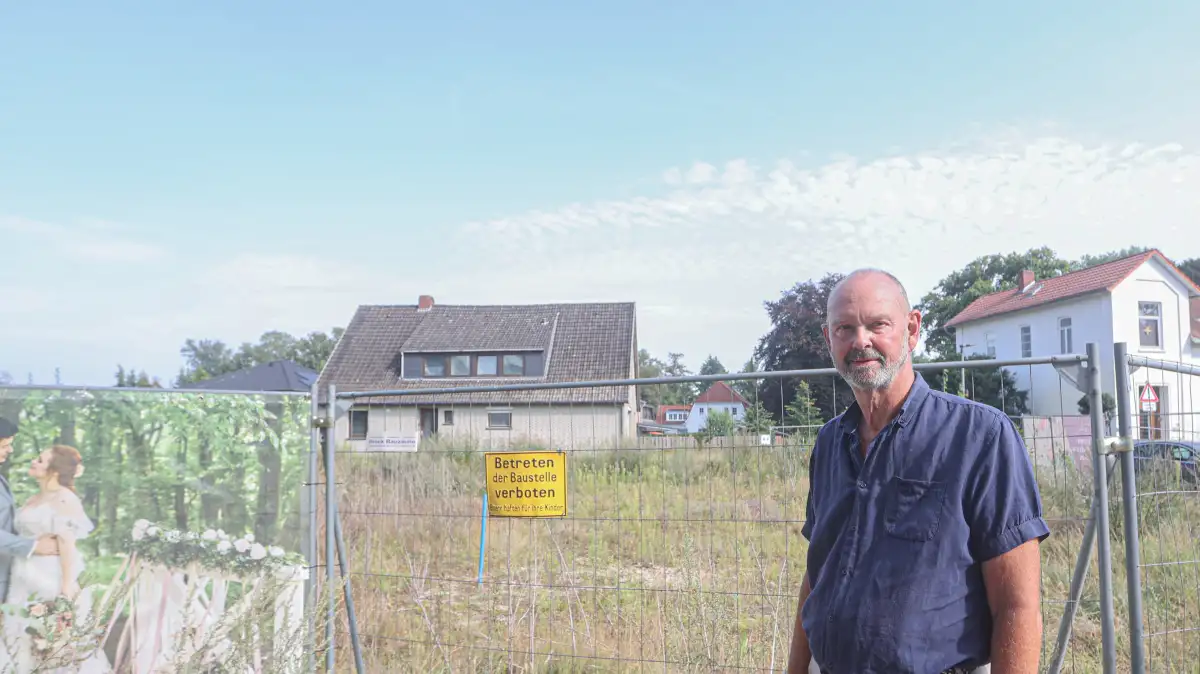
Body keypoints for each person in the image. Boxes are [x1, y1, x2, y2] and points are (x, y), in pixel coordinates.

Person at [785, 269, 1049, 674]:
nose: (860, 341)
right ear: (828, 339)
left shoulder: (979, 436)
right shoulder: (829, 443)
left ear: (911, 329)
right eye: (844, 328)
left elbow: (1018, 606)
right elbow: (818, 574)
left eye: (877, 325)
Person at [1, 443, 110, 673]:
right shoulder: (34, 498)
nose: (33, 461)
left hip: (49, 576)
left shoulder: (64, 499)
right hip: (22, 575)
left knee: (50, 641)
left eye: (40, 460)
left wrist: (66, 587)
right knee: (18, 636)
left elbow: (67, 545)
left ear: (55, 470)